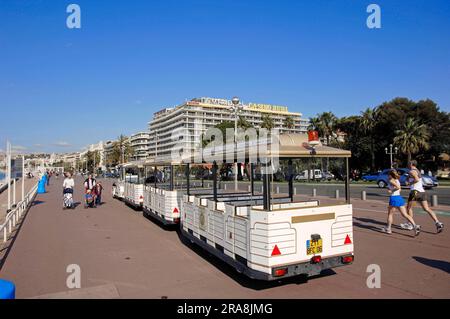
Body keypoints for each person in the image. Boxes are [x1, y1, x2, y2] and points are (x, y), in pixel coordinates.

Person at [401, 160, 444, 233]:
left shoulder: (412, 171)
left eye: (409, 163)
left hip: (415, 192)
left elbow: (416, 179)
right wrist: (408, 178)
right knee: (426, 208)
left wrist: (409, 183)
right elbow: (412, 177)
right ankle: (438, 222)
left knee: (409, 208)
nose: (408, 164)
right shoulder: (417, 170)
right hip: (422, 192)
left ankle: (410, 224)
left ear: (411, 164)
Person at [381, 170, 421, 236]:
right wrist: (391, 189)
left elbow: (398, 187)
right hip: (399, 198)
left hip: (394, 198)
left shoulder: (391, 180)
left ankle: (388, 229)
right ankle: (415, 226)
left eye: (388, 175)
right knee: (405, 214)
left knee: (390, 214)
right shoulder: (397, 180)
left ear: (391, 175)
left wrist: (391, 190)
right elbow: (400, 189)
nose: (387, 176)